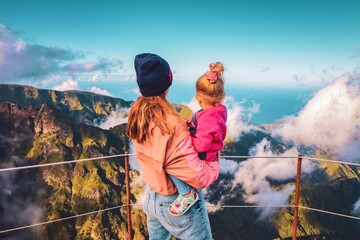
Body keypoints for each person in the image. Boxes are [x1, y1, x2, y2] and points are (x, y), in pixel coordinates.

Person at [126, 53, 220, 240]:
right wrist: (214, 157)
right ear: (167, 85)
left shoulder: (136, 116)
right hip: (177, 203)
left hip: (152, 199)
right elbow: (199, 178)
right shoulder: (172, 124)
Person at [168, 62, 227, 216]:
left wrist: (185, 136)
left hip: (203, 157)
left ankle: (187, 194)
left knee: (170, 164)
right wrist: (192, 123)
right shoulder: (217, 111)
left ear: (199, 99)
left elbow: (201, 145)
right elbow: (206, 128)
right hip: (210, 155)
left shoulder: (209, 118)